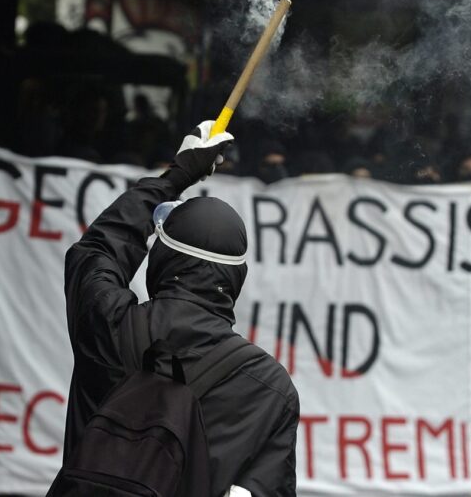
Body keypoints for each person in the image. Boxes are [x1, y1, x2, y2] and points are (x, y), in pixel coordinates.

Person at [61, 120, 299, 496]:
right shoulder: (270, 388)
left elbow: (98, 249)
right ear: (236, 277)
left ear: (161, 258)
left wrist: (178, 175)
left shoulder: (107, 323)